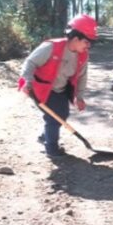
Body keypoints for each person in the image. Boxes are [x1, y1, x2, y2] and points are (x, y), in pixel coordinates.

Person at [19, 14, 97, 157]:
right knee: (54, 117)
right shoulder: (51, 47)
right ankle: (52, 148)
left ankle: (45, 136)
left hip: (60, 89)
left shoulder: (83, 55)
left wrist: (79, 97)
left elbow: (81, 77)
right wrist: (28, 81)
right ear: (75, 39)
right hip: (40, 88)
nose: (88, 46)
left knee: (63, 114)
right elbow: (30, 63)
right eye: (86, 42)